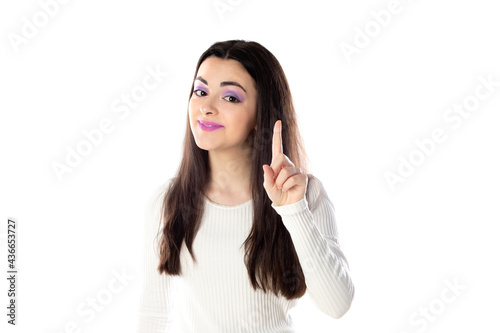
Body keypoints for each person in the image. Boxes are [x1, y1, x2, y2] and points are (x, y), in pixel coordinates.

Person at [136, 40, 355, 332]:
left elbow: (337, 305)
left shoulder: (305, 194)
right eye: (200, 92)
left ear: (260, 114)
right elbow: (154, 315)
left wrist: (294, 211)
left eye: (230, 98)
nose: (206, 108)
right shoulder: (169, 201)